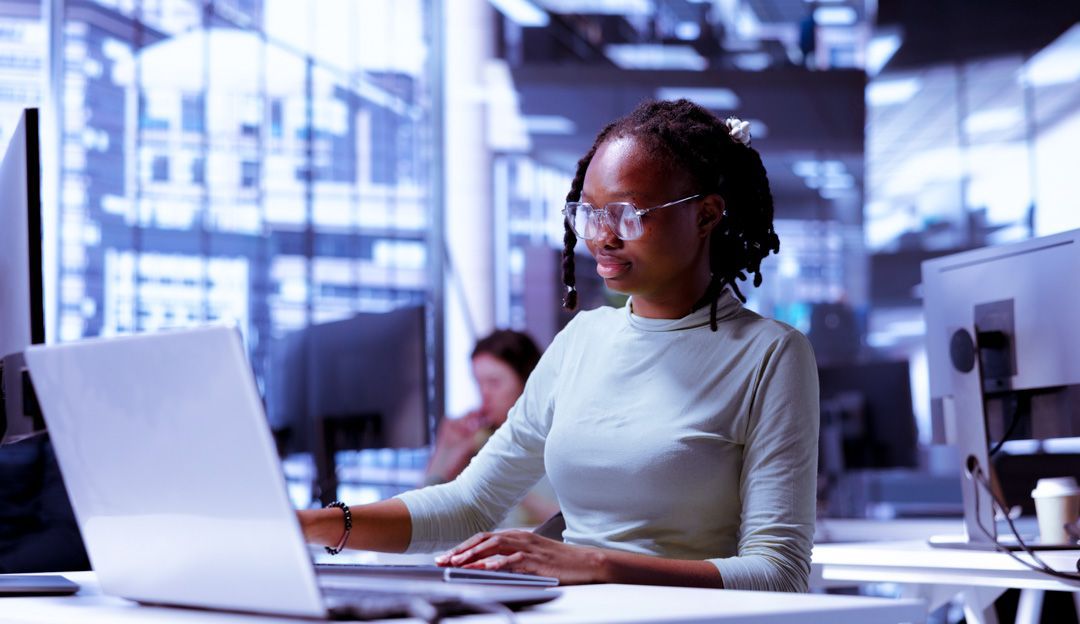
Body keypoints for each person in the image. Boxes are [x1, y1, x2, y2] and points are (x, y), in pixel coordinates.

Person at [300, 99, 819, 592]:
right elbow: (471, 503)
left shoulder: (771, 356)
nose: (602, 237)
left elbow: (778, 571)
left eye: (628, 214)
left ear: (706, 215)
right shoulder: (581, 340)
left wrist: (593, 564)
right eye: (589, 213)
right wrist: (314, 525)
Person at [423, 329, 558, 526]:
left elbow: (575, 526)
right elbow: (424, 518)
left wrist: (504, 481)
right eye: (479, 384)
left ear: (528, 381)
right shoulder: (482, 444)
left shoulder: (555, 441)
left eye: (494, 383)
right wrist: (445, 452)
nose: (484, 395)